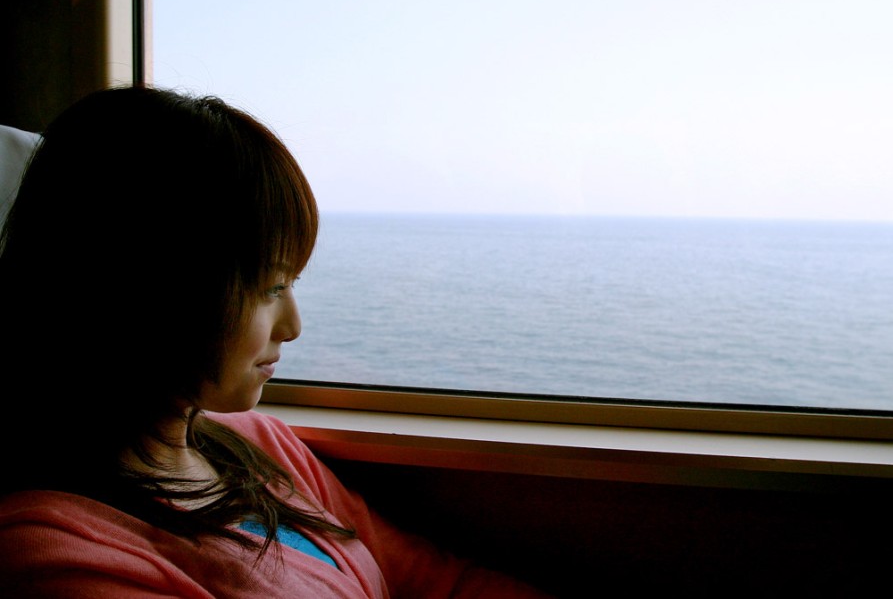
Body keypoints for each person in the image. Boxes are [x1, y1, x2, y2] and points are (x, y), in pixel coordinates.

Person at [0, 85, 553, 598]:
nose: (293, 326)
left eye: (291, 284)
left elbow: (431, 579)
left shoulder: (261, 446)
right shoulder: (57, 551)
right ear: (155, 288)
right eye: (270, 287)